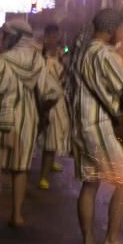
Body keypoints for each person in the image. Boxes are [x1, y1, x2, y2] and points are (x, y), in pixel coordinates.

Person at [70, 8, 123, 244]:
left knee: (90, 183)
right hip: (101, 125)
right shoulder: (104, 53)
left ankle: (89, 243)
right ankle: (112, 242)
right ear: (112, 29)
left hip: (83, 124)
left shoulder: (84, 52)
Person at [0, 20, 60, 227]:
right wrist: (42, 111)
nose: (3, 39)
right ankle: (17, 215)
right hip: (28, 118)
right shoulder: (37, 60)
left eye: (5, 35)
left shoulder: (3, 60)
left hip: (1, 115)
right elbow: (52, 92)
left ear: (13, 36)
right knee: (20, 166)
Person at [39, 24, 71, 189]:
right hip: (46, 101)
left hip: (58, 100)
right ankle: (43, 176)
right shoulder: (40, 54)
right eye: (51, 35)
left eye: (56, 35)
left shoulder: (60, 53)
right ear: (46, 36)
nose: (54, 39)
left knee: (56, 134)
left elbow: (64, 75)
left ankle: (51, 163)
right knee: (50, 139)